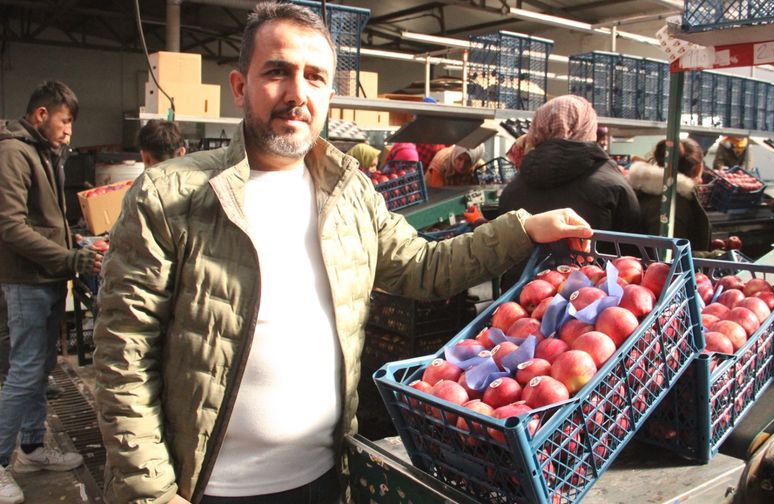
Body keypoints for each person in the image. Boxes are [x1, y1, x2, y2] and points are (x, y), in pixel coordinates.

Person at [92, 4, 593, 504]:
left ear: (330, 94)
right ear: (240, 86)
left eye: (314, 77)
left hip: (327, 478)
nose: (297, 93)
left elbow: (422, 268)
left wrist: (524, 228)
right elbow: (124, 355)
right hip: (209, 489)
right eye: (277, 72)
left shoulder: (348, 190)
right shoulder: (172, 194)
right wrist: (151, 493)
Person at [0, 80, 98, 504]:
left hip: (47, 277)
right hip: (26, 280)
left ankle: (33, 447)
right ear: (41, 115)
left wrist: (73, 244)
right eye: (65, 121)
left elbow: (44, 222)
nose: (68, 131)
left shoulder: (43, 153)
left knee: (41, 369)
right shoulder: (13, 153)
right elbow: (10, 226)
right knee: (23, 372)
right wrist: (67, 260)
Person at [498, 95, 639, 289]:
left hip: (519, 300)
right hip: (596, 304)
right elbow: (634, 254)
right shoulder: (613, 183)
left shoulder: (514, 187)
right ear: (588, 127)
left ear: (538, 126)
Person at [628, 138, 711, 251]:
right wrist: (717, 255)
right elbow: (669, 256)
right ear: (698, 169)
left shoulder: (647, 191)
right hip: (658, 268)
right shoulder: (671, 205)